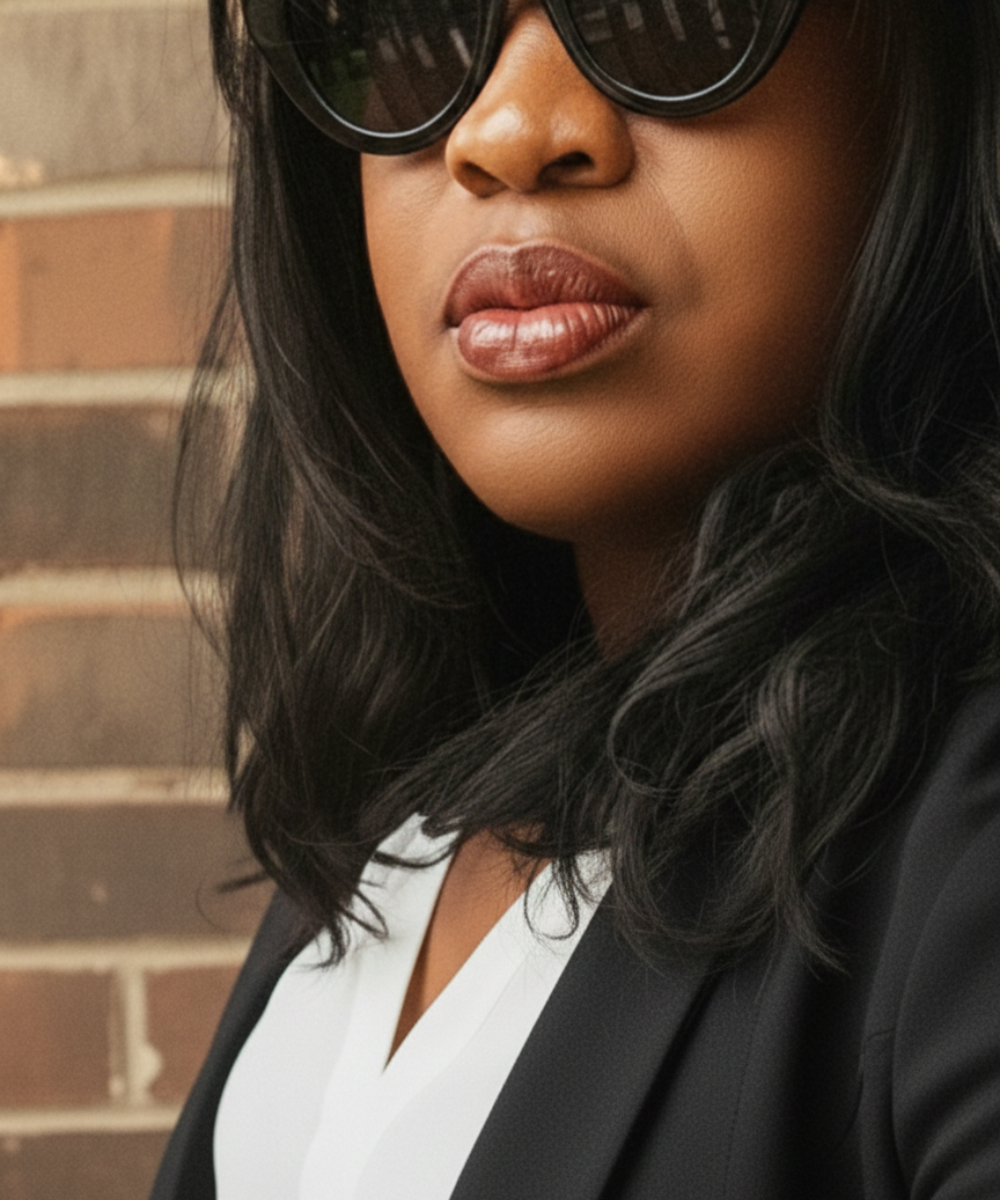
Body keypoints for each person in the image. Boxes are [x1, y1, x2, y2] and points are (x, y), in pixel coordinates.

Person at [152, 0, 1000, 1196]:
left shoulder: (963, 833)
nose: (502, 132)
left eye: (666, 13)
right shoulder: (402, 822)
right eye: (408, 20)